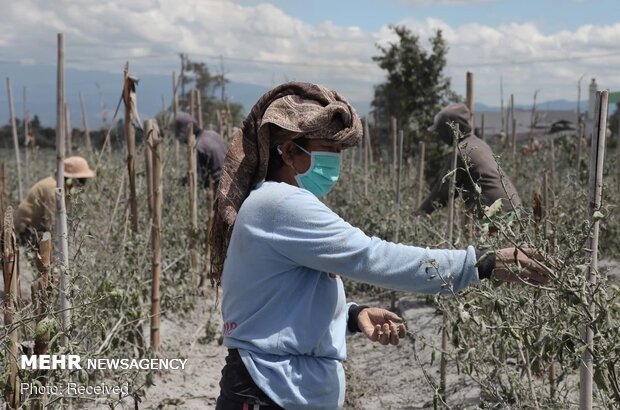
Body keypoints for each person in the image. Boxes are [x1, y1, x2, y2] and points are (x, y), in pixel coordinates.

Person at [209, 82, 548, 410]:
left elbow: (281, 299)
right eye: (329, 151)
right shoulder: (281, 204)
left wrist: (353, 316)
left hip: (277, 389)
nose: (336, 164)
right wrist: (480, 265)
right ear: (288, 151)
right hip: (266, 392)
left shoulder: (273, 202)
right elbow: (373, 256)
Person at [417, 103, 521, 217]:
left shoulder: (461, 152)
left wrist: (418, 215)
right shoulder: (479, 143)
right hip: (513, 208)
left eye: (440, 131)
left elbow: (442, 192)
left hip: (496, 214)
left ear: (448, 129)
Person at [14, 156, 95, 246]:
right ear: (73, 178)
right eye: (82, 179)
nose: (84, 182)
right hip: (27, 228)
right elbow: (52, 221)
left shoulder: (63, 187)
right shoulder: (54, 189)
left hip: (38, 227)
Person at [174, 112, 227, 191]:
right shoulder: (213, 134)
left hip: (218, 188)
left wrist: (179, 184)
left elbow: (197, 180)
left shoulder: (198, 147)